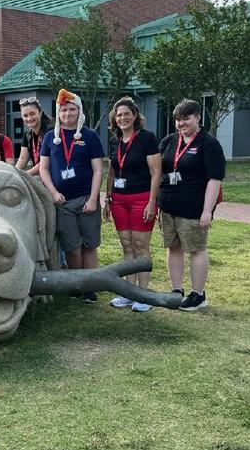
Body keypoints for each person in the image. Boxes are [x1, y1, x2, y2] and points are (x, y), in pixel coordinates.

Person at [157, 99, 225, 312]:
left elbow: (215, 180)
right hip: (168, 206)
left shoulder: (209, 144)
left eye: (186, 118)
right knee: (173, 247)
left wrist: (207, 211)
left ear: (197, 117)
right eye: (177, 119)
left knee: (196, 249)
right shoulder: (169, 141)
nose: (181, 123)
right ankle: (177, 290)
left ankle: (198, 294)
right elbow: (158, 169)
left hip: (194, 208)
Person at [39, 89, 104, 303]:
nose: (68, 113)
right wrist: (53, 192)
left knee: (89, 246)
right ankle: (76, 284)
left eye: (72, 109)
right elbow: (44, 169)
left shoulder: (90, 136)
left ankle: (90, 287)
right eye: (64, 109)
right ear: (59, 113)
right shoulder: (50, 137)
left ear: (79, 111)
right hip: (63, 202)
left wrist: (94, 199)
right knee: (73, 248)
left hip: (86, 199)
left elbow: (98, 170)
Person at [103, 97, 161, 312]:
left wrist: (151, 202)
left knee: (140, 246)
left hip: (141, 198)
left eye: (127, 114)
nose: (123, 118)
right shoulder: (114, 141)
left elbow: (156, 173)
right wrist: (107, 198)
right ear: (114, 119)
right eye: (119, 115)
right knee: (126, 245)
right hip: (119, 199)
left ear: (135, 116)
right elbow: (112, 172)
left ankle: (143, 295)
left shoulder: (147, 139)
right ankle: (128, 293)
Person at [14, 98, 51, 177]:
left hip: (53, 177)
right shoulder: (27, 134)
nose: (29, 118)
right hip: (39, 176)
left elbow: (47, 161)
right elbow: (22, 159)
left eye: (32, 114)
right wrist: (14, 173)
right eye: (25, 115)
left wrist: (25, 175)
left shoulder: (50, 131)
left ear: (40, 113)